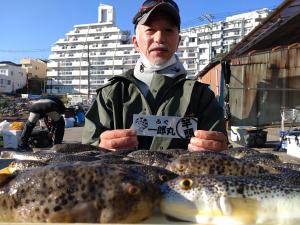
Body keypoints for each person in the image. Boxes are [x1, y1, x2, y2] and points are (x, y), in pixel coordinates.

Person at [82, 0, 228, 152]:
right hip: (122, 176)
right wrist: (99, 147)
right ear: (135, 42)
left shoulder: (201, 95)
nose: (159, 38)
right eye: (150, 30)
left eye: (168, 30)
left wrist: (219, 148)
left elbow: (221, 153)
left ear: (178, 41)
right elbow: (85, 152)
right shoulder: (111, 93)